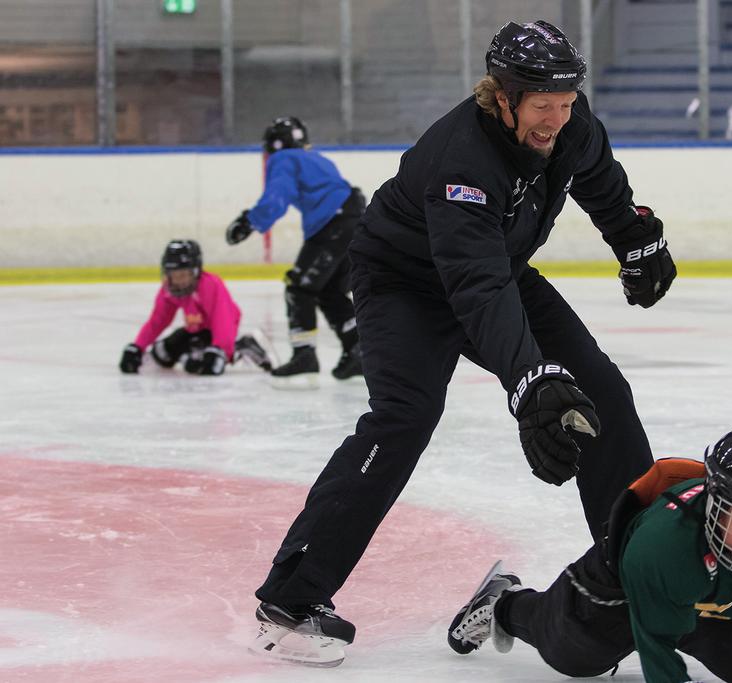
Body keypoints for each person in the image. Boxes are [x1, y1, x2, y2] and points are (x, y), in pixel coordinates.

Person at [248, 20, 677, 666]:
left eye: (564, 104)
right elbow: (475, 289)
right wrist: (530, 381)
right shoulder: (463, 160)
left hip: (496, 269)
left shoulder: (570, 122)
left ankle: (638, 577)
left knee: (601, 389)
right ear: (502, 97)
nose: (555, 120)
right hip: (405, 283)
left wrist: (634, 239)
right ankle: (289, 598)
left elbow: (597, 178)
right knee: (405, 416)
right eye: (542, 107)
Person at [446, 431, 732, 683]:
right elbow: (658, 651)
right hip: (627, 588)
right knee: (574, 658)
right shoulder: (661, 549)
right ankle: (505, 602)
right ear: (714, 507)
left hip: (707, 596)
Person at [225, 116, 366, 388]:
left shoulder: (284, 159)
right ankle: (357, 350)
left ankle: (305, 355)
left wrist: (249, 222)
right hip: (355, 223)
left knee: (299, 289)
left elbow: (277, 198)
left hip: (332, 226)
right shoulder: (317, 159)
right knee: (329, 291)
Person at [118, 239, 271, 375]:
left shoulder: (210, 285)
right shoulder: (169, 289)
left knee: (201, 365)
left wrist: (220, 350)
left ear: (196, 272)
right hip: (195, 330)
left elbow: (223, 320)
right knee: (162, 355)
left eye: (183, 275)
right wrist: (138, 346)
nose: (178, 281)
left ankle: (240, 346)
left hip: (218, 332)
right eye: (174, 275)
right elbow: (158, 320)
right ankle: (195, 353)